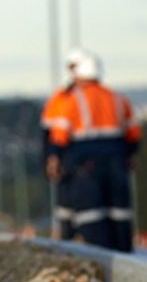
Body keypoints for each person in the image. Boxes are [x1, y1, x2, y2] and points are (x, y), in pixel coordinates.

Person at [48, 51, 141, 251]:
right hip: (117, 162)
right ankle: (125, 258)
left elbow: (59, 134)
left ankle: (103, 259)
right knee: (120, 215)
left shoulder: (72, 100)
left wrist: (54, 158)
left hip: (86, 165)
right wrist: (131, 154)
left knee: (91, 217)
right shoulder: (117, 98)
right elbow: (133, 133)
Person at [40, 47, 89, 240]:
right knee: (67, 210)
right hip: (68, 162)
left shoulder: (96, 96)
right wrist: (52, 159)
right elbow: (48, 132)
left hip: (88, 163)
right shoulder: (60, 98)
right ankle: (69, 239)